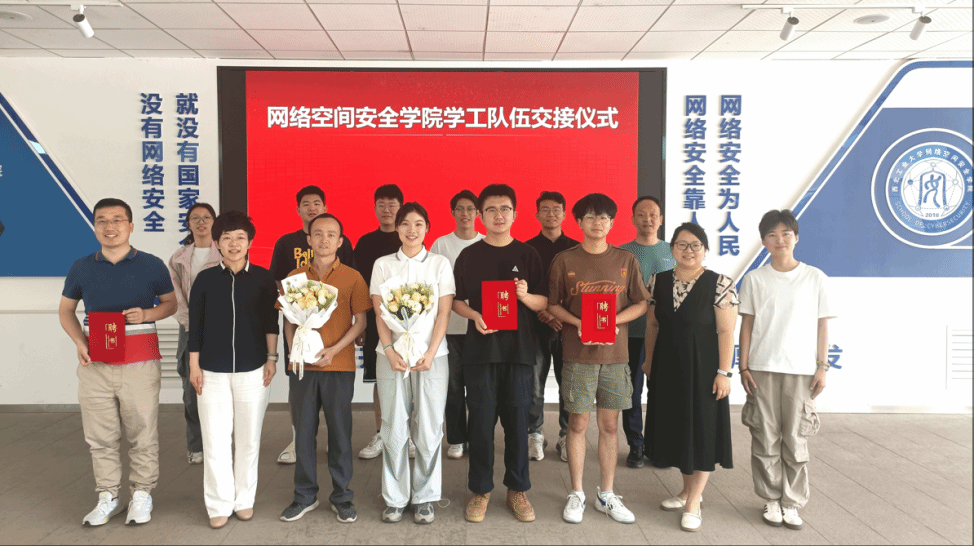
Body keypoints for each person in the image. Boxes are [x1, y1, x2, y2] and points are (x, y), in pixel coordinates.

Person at [58, 198, 176, 526]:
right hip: (95, 364)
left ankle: (142, 494)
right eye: (102, 220)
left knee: (142, 432)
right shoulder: (81, 267)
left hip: (140, 362)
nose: (110, 227)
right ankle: (108, 496)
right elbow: (66, 310)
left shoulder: (152, 264)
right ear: (95, 226)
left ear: (131, 226)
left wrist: (148, 314)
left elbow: (170, 304)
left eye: (117, 220)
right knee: (100, 435)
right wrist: (79, 342)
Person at [547, 193, 647, 524]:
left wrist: (614, 321)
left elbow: (640, 302)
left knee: (609, 425)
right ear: (578, 222)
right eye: (590, 216)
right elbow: (553, 304)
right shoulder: (564, 260)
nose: (597, 222)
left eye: (604, 217)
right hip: (578, 355)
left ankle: (606, 494)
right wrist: (579, 323)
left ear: (612, 222)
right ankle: (576, 493)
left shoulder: (626, 259)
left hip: (616, 356)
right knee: (577, 424)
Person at [452, 184, 547, 523]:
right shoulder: (469, 256)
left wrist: (524, 296)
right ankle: (480, 491)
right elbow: (456, 301)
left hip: (519, 352)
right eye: (491, 209)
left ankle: (517, 490)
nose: (498, 215)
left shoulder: (528, 255)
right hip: (480, 353)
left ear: (515, 214)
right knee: (480, 425)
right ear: (481, 215)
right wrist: (474, 316)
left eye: (505, 208)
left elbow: (544, 302)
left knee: (518, 424)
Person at [738, 210, 833, 531]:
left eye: (785, 233)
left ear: (796, 237)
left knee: (795, 438)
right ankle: (770, 498)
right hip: (761, 368)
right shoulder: (755, 279)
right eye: (772, 235)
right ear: (764, 241)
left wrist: (822, 366)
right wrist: (743, 365)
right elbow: (746, 325)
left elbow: (822, 325)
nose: (779, 240)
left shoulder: (815, 278)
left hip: (801, 370)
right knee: (764, 437)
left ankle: (792, 502)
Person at [643, 222, 738, 532]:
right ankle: (685, 491)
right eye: (682, 244)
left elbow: (726, 331)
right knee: (679, 429)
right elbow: (653, 325)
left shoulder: (719, 283)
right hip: (668, 367)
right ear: (671, 248)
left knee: (702, 432)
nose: (688, 250)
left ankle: (694, 501)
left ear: (705, 250)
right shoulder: (658, 280)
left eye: (695, 245)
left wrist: (724, 372)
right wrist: (648, 361)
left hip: (705, 369)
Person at [187, 211, 279, 529]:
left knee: (248, 439)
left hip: (253, 370)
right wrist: (194, 366)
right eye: (226, 238)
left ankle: (244, 500)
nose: (234, 243)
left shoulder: (263, 279)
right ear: (217, 243)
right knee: (215, 441)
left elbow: (271, 323)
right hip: (211, 371)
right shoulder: (205, 280)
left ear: (250, 242)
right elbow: (195, 326)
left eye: (240, 237)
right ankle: (218, 503)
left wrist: (271, 358)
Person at [280, 213, 370, 524]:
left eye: (331, 234)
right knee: (303, 432)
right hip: (303, 369)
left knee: (340, 433)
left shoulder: (353, 277)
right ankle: (304, 496)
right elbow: (289, 321)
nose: (324, 239)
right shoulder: (295, 277)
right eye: (318, 233)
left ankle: (342, 496)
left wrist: (334, 350)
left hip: (339, 365)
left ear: (340, 241)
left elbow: (361, 321)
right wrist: (294, 350)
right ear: (308, 239)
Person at [371, 203, 455, 524]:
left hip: (432, 357)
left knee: (429, 427)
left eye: (418, 224)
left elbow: (444, 312)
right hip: (390, 358)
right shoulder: (382, 264)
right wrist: (388, 349)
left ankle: (425, 497)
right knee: (393, 426)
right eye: (405, 224)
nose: (411, 230)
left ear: (427, 228)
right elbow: (379, 313)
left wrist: (431, 352)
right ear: (397, 228)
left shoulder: (439, 264)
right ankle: (395, 498)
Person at [269, 185, 355, 465]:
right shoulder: (285, 242)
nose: (312, 208)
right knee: (300, 392)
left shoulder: (342, 243)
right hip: (298, 328)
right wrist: (294, 308)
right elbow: (277, 280)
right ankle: (299, 440)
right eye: (306, 204)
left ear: (325, 207)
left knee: (334, 398)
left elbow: (350, 281)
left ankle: (333, 442)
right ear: (298, 210)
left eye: (317, 203)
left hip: (335, 331)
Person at [355, 184, 411, 461]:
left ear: (401, 208)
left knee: (410, 377)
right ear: (375, 208)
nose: (387, 209)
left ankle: (409, 435)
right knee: (381, 377)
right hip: (376, 321)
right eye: (381, 204)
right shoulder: (365, 243)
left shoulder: (409, 241)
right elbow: (359, 286)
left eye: (392, 204)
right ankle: (382, 432)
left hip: (410, 324)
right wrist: (361, 323)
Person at [619, 196, 675, 468]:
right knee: (631, 392)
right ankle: (636, 444)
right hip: (630, 333)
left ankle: (658, 444)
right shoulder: (622, 252)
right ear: (633, 219)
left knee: (662, 391)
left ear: (661, 219)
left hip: (664, 334)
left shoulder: (673, 251)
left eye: (653, 214)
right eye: (641, 214)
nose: (648, 219)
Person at [429, 190, 484, 460]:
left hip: (480, 328)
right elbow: (430, 284)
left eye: (470, 209)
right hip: (449, 329)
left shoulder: (486, 242)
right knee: (452, 387)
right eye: (460, 209)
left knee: (478, 387)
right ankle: (457, 439)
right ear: (452, 213)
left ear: (478, 213)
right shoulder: (441, 245)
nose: (465, 214)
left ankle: (477, 437)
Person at [525, 191, 579, 462]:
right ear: (537, 215)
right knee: (534, 385)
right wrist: (544, 312)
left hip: (568, 328)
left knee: (568, 385)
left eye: (556, 209)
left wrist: (561, 315)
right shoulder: (526, 249)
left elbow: (579, 291)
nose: (551, 214)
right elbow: (522, 289)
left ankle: (566, 436)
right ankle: (535, 434)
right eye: (545, 209)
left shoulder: (576, 249)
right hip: (536, 327)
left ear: (564, 214)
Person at [167, 202, 221, 466]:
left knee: (220, 389)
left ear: (215, 222)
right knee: (192, 391)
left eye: (206, 217)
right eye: (195, 218)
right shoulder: (178, 258)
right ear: (188, 223)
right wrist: (192, 325)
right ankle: (196, 445)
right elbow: (175, 297)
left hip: (221, 329)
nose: (201, 222)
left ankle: (219, 444)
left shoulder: (226, 252)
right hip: (189, 329)